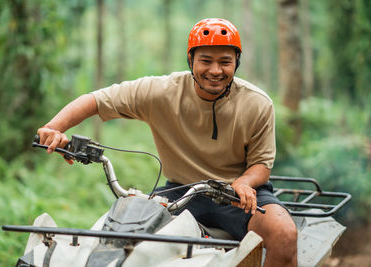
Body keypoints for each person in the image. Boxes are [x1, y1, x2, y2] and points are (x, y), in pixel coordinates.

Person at [37, 18, 297, 266]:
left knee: (284, 233)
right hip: (181, 192)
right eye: (206, 60)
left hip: (238, 195)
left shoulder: (257, 103)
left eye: (225, 62)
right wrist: (54, 128)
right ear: (191, 60)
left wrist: (244, 182)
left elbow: (262, 165)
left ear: (236, 62)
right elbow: (97, 100)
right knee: (122, 237)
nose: (215, 70)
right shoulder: (163, 91)